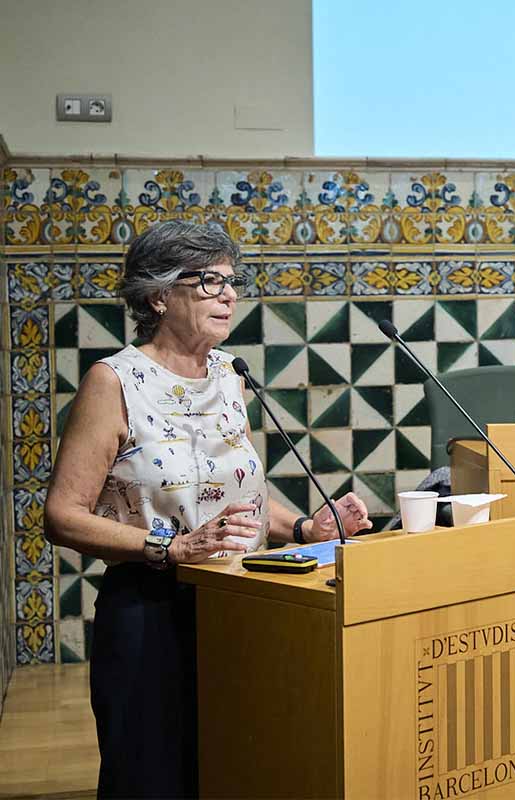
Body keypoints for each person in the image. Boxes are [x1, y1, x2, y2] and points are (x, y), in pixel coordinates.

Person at [44, 220, 374, 798]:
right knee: (153, 779)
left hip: (242, 602)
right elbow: (63, 516)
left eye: (233, 281)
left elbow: (236, 496)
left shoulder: (229, 376)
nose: (229, 294)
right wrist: (170, 548)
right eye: (209, 281)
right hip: (152, 611)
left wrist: (305, 525)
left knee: (236, 768)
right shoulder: (114, 382)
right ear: (157, 294)